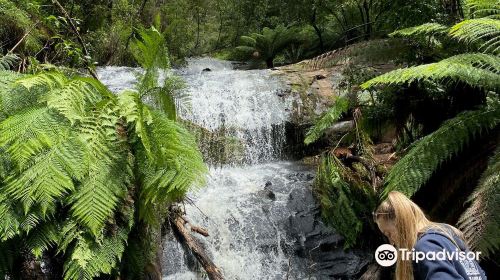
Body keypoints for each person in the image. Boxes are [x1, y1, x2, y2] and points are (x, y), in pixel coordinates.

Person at [373, 191, 487, 280]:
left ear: (400, 223)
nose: (391, 242)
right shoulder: (448, 235)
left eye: (388, 233)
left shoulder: (427, 245)